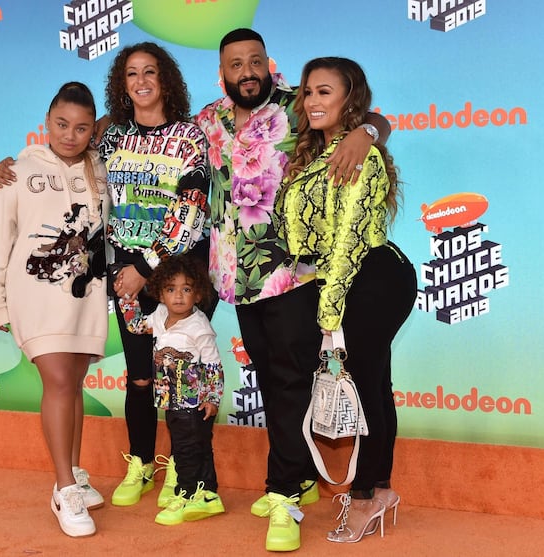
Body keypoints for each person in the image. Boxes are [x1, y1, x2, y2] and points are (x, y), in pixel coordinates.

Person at [193, 28, 392, 552]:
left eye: (255, 61)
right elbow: (158, 139)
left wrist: (366, 133)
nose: (247, 71)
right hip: (234, 275)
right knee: (270, 374)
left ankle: (283, 493)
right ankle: (298, 476)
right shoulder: (208, 119)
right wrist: (105, 126)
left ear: (268, 63)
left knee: (289, 380)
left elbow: (367, 114)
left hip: (292, 270)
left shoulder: (296, 103)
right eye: (236, 64)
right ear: (223, 71)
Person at [0, 42, 211, 509]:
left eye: (150, 71)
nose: (141, 81)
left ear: (166, 79)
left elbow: (191, 208)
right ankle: (141, 463)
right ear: (122, 83)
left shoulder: (192, 136)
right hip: (125, 278)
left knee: (182, 377)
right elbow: (61, 155)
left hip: (177, 277)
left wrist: (146, 269)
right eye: (131, 73)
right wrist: (11, 164)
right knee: (138, 377)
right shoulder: (108, 140)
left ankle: (186, 474)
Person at [276, 57, 417, 544]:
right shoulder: (316, 153)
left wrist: (328, 313)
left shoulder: (361, 154)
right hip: (339, 279)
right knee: (375, 385)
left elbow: (348, 241)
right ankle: (379, 489)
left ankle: (362, 502)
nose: (314, 101)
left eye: (325, 92)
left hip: (371, 277)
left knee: (364, 387)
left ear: (349, 100)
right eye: (309, 93)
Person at [0, 82, 110, 537]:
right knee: (56, 381)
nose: (69, 134)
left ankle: (75, 469)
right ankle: (63, 488)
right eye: (61, 124)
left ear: (93, 128)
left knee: (71, 385)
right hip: (35, 297)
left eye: (81, 127)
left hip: (85, 296)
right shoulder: (17, 170)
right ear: (46, 121)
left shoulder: (102, 168)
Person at [119, 255, 224, 526]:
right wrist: (127, 299)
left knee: (190, 451)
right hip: (170, 401)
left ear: (198, 294)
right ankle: (209, 495)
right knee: (194, 447)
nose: (178, 296)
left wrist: (212, 398)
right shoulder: (160, 315)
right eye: (170, 289)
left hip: (194, 404)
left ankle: (187, 494)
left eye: (186, 289)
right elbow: (136, 326)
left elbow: (213, 366)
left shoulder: (200, 328)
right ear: (160, 293)